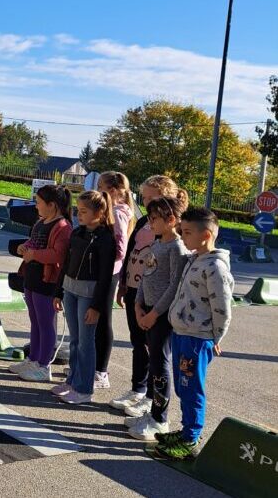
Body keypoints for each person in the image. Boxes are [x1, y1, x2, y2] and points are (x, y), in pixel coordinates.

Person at [153, 207, 233, 460]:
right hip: (182, 333)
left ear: (206, 235)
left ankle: (191, 438)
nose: (182, 236)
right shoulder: (195, 259)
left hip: (197, 338)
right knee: (183, 386)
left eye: (186, 232)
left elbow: (222, 308)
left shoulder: (215, 267)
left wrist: (216, 338)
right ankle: (186, 429)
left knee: (191, 388)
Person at [110, 175, 182, 417]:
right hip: (135, 290)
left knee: (156, 351)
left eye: (152, 197)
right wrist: (123, 285)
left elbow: (172, 276)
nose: (146, 201)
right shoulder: (143, 223)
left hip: (157, 300)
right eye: (145, 197)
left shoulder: (172, 231)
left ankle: (152, 397)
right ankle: (137, 389)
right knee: (137, 343)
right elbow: (131, 253)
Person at [126, 192, 190, 441]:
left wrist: (153, 313)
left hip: (162, 316)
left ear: (171, 219)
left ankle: (160, 419)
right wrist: (138, 304)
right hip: (147, 310)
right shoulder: (156, 242)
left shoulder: (177, 247)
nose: (150, 222)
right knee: (153, 362)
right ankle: (152, 412)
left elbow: (174, 286)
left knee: (160, 364)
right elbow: (146, 274)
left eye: (154, 218)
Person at [52, 191, 116, 404]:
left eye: (83, 211)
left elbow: (106, 276)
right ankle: (72, 380)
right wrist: (59, 290)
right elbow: (66, 262)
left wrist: (97, 306)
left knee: (86, 342)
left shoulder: (106, 238)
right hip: (70, 289)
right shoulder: (77, 232)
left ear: (100, 212)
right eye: (77, 210)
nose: (78, 215)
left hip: (89, 295)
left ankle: (84, 389)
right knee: (75, 339)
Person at [10, 185, 73, 382]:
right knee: (35, 321)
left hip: (48, 281)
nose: (35, 206)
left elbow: (59, 254)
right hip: (32, 279)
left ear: (52, 205)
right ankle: (33, 359)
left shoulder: (63, 227)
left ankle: (44, 365)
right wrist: (24, 247)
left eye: (38, 202)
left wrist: (34, 254)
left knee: (46, 324)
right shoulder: (41, 222)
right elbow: (33, 241)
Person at [93, 171, 136, 390]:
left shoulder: (118, 212)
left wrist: (99, 254)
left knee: (102, 320)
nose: (98, 189)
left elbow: (120, 249)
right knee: (95, 320)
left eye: (100, 186)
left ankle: (101, 371)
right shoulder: (112, 211)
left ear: (112, 190)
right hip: (104, 271)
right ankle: (93, 365)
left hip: (109, 272)